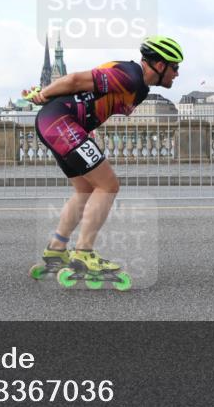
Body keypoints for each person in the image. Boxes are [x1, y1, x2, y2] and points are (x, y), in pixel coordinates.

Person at [24, 35, 184, 290]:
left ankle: (57, 249)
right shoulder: (130, 75)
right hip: (61, 122)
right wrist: (43, 94)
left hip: (60, 124)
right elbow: (76, 80)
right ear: (160, 64)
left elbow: (93, 101)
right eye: (175, 66)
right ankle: (84, 252)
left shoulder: (140, 88)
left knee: (86, 190)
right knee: (108, 185)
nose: (177, 73)